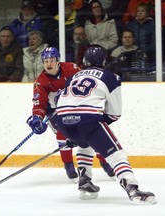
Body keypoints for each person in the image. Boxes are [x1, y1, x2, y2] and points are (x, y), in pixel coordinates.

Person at [54, 45, 156, 204]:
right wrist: (94, 125)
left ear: (84, 60)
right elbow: (115, 113)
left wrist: (73, 131)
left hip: (62, 123)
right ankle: (132, 188)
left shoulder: (74, 77)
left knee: (85, 143)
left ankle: (85, 180)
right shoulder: (110, 77)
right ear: (103, 60)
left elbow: (61, 103)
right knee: (116, 153)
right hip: (87, 120)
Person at [26, 47, 115, 180]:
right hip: (55, 111)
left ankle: (104, 161)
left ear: (58, 61)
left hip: (76, 105)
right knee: (63, 133)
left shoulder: (71, 69)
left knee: (93, 132)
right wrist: (37, 118)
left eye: (51, 60)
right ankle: (68, 164)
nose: (48, 64)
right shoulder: (41, 82)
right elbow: (40, 102)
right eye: (45, 61)